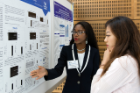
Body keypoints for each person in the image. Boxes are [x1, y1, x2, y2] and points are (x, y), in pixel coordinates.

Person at [30, 21, 100, 93]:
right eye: (74, 31)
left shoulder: (94, 52)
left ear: (87, 34)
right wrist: (47, 72)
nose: (75, 35)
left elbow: (95, 76)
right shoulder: (66, 50)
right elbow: (58, 70)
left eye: (79, 32)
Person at [91, 16, 140, 93]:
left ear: (121, 37)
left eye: (108, 35)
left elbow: (95, 91)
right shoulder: (130, 59)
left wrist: (104, 63)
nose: (105, 40)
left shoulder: (123, 62)